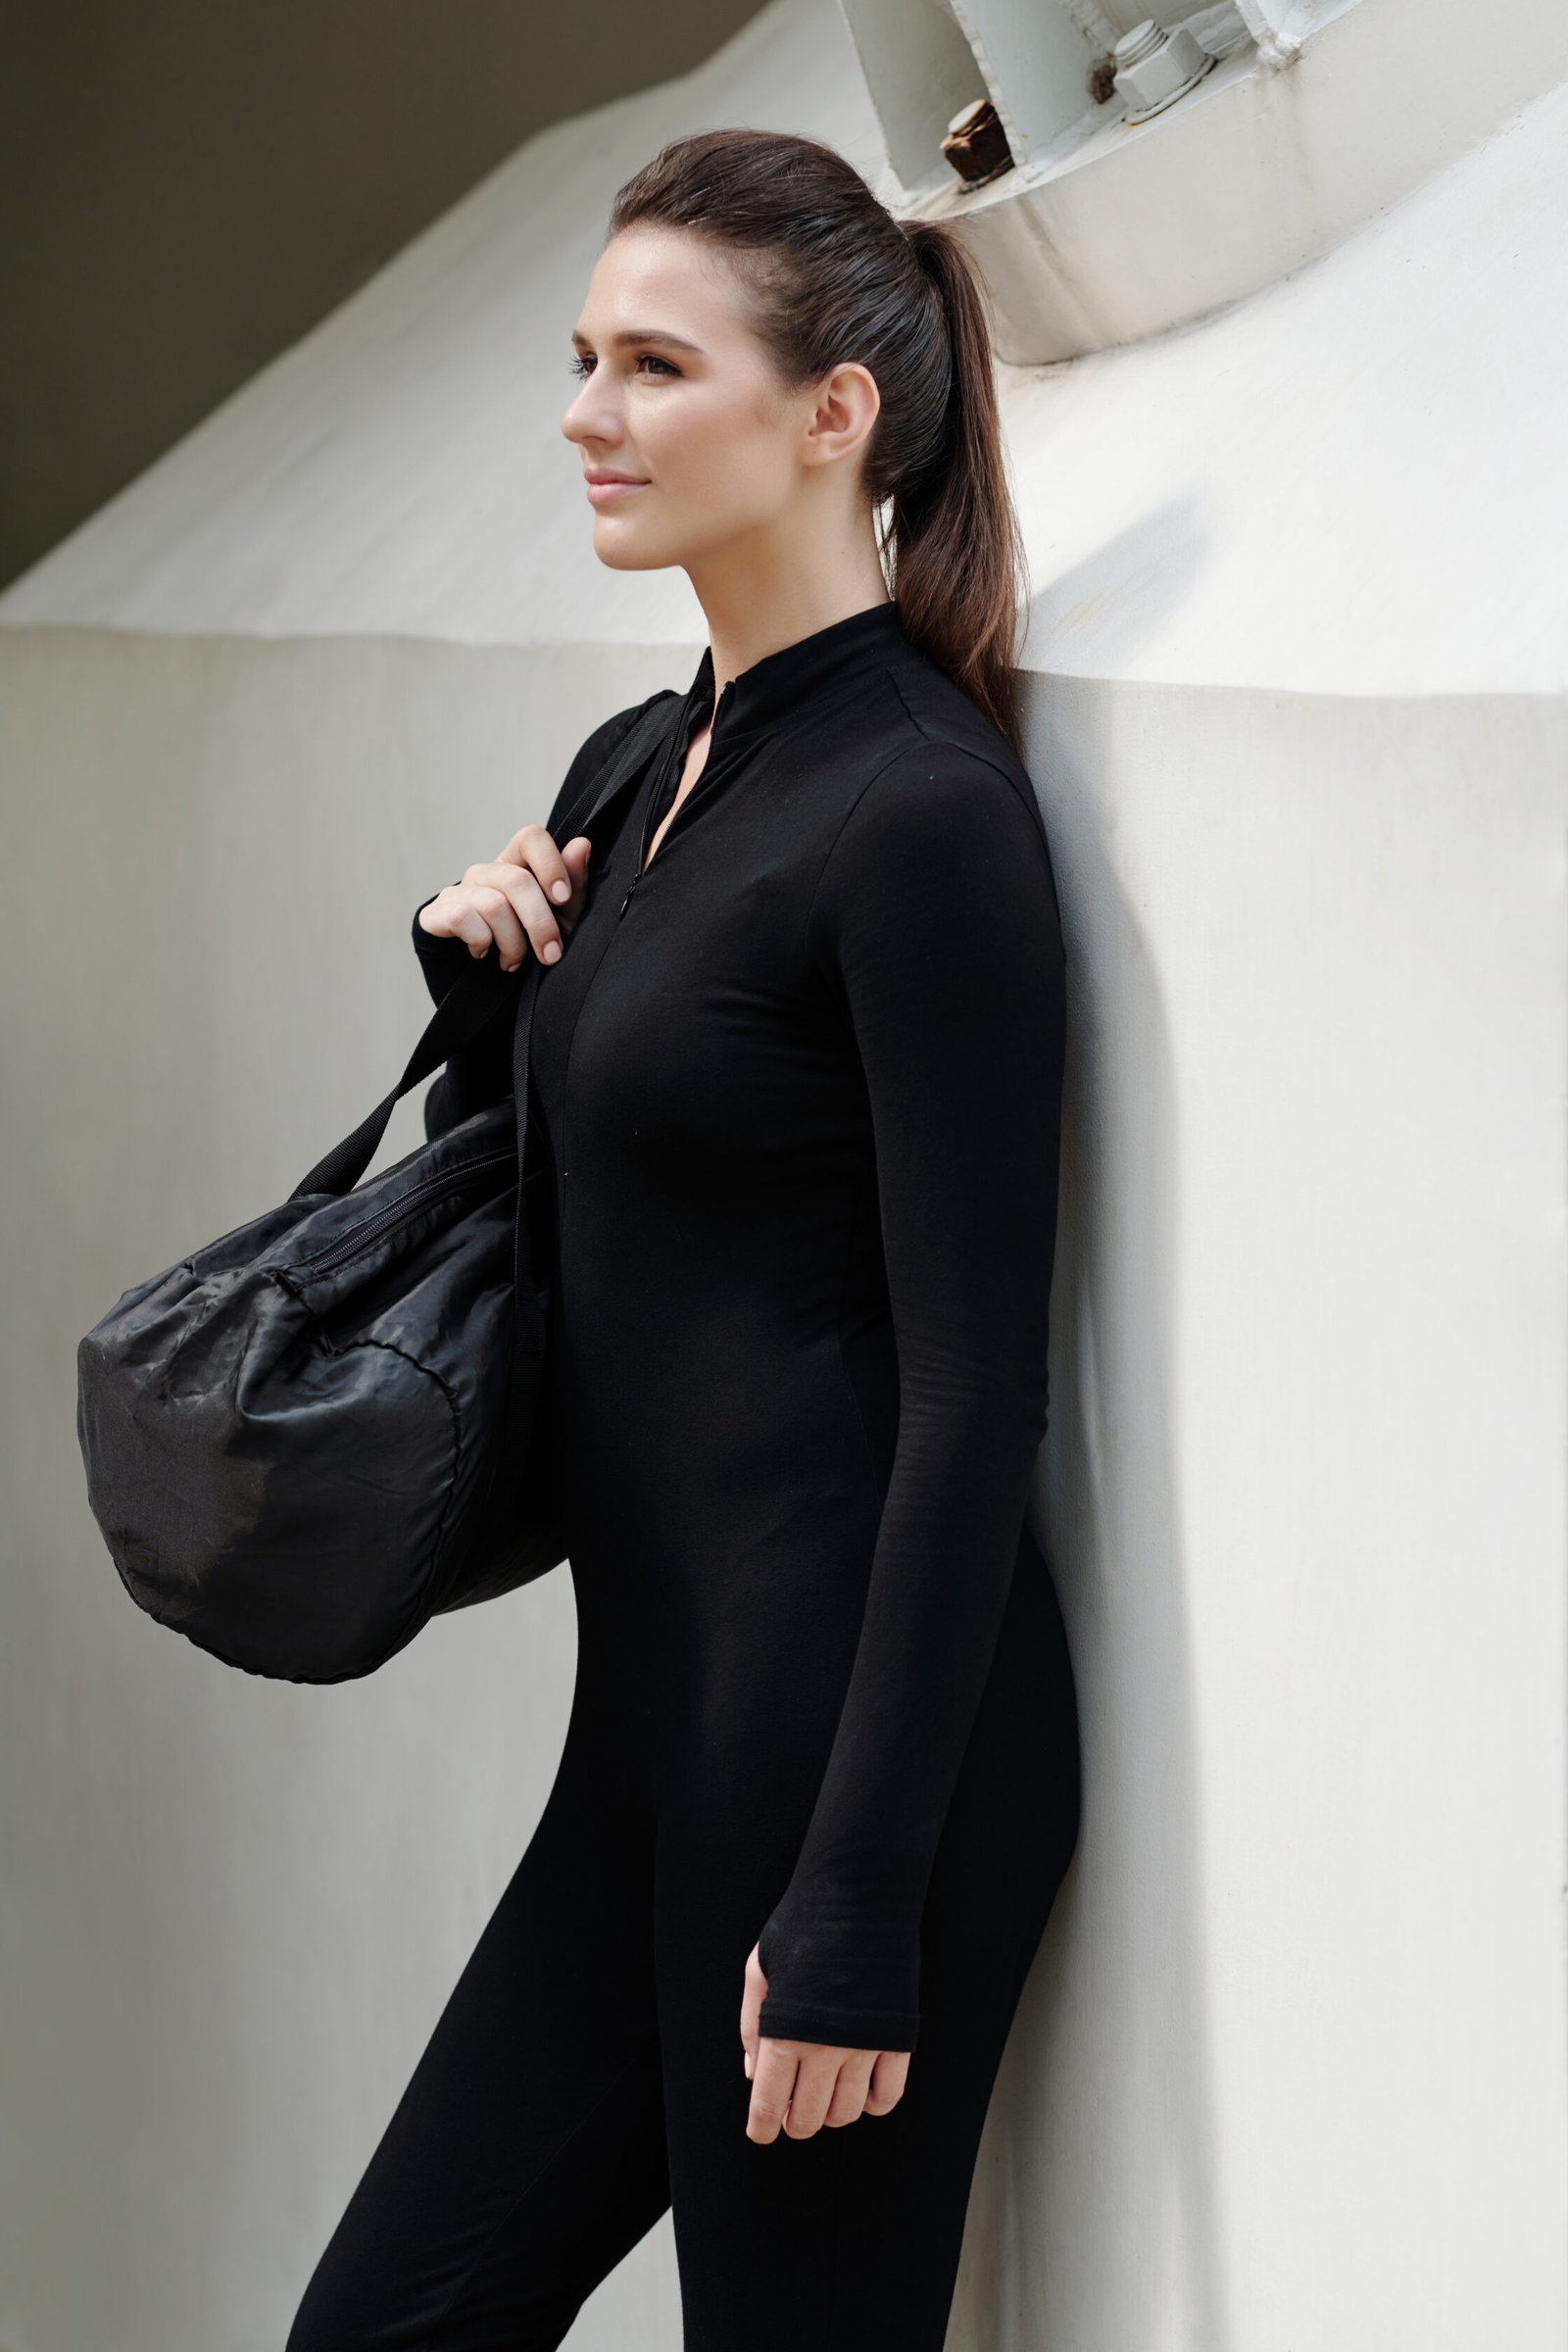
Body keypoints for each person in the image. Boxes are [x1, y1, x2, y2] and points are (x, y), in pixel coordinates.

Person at [285, 124, 1080, 2352]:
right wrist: (483, 1003)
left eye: (651, 363)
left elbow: (968, 1389)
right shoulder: (643, 760)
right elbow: (604, 1243)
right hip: (646, 1740)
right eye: (578, 358)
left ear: (833, 414)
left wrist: (854, 1903)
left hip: (853, 1767)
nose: (583, 414)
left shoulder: (915, 816)